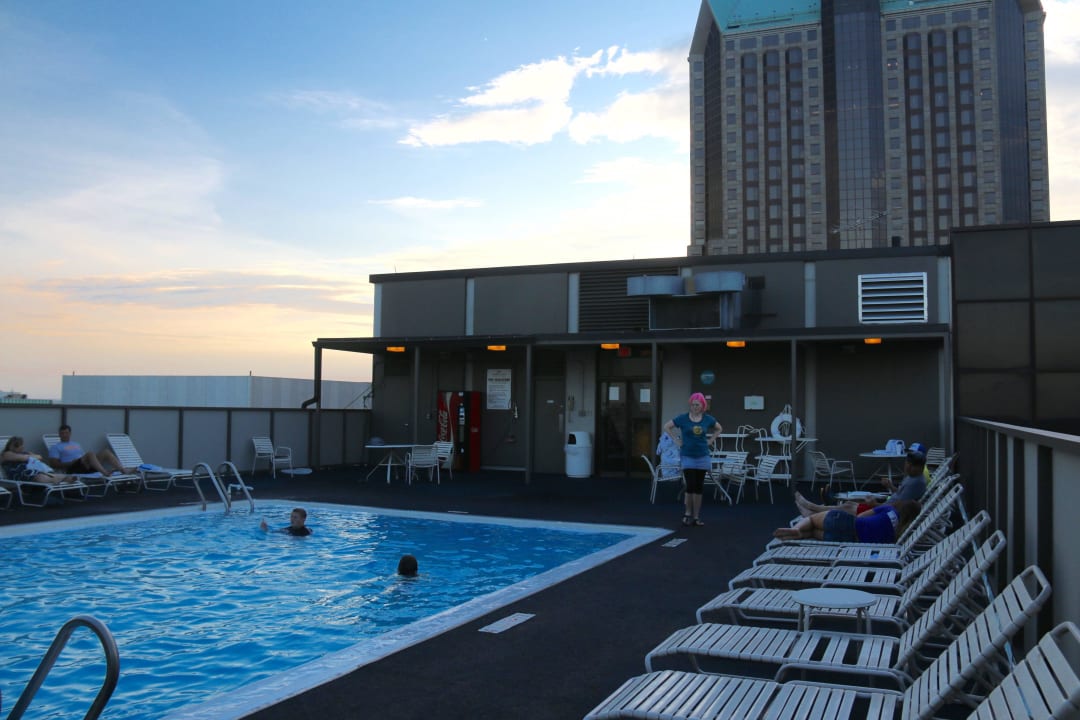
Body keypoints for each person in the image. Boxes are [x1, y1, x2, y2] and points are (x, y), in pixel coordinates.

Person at [793, 448, 929, 517]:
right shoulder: (912, 477)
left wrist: (874, 504)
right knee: (850, 504)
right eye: (907, 463)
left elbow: (899, 506)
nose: (908, 467)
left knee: (848, 507)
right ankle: (814, 510)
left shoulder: (916, 483)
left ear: (921, 467)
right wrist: (890, 486)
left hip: (886, 513)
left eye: (913, 465)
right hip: (886, 506)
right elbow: (900, 495)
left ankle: (813, 509)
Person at [663, 392, 722, 527]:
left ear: (702, 406)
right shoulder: (683, 418)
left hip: (702, 456)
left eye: (697, 405)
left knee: (699, 486)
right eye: (693, 404)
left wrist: (711, 440)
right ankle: (687, 513)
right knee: (690, 485)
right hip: (687, 456)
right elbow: (667, 426)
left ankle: (696, 516)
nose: (695, 407)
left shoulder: (707, 419)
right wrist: (676, 439)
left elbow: (719, 428)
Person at [774, 499, 921, 543]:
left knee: (811, 519)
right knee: (812, 532)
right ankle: (802, 535)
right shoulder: (896, 537)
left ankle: (797, 529)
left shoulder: (889, 510)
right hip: (849, 540)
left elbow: (861, 516)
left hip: (847, 523)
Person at [48, 424, 132, 476]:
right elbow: (53, 464)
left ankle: (123, 470)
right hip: (73, 468)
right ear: (59, 434)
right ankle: (105, 473)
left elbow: (83, 456)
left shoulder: (76, 444)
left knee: (105, 452)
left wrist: (85, 460)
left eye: (66, 433)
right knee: (90, 454)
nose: (64, 435)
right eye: (62, 433)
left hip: (85, 466)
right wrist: (70, 463)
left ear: (70, 433)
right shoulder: (55, 447)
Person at [2, 436, 81, 485]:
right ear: (12, 446)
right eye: (18, 445)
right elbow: (24, 458)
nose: (22, 447)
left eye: (21, 444)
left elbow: (39, 457)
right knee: (40, 477)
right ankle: (60, 478)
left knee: (44, 475)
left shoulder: (24, 453)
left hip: (32, 471)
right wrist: (30, 456)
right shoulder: (6, 454)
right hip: (21, 475)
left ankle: (63, 478)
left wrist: (30, 456)